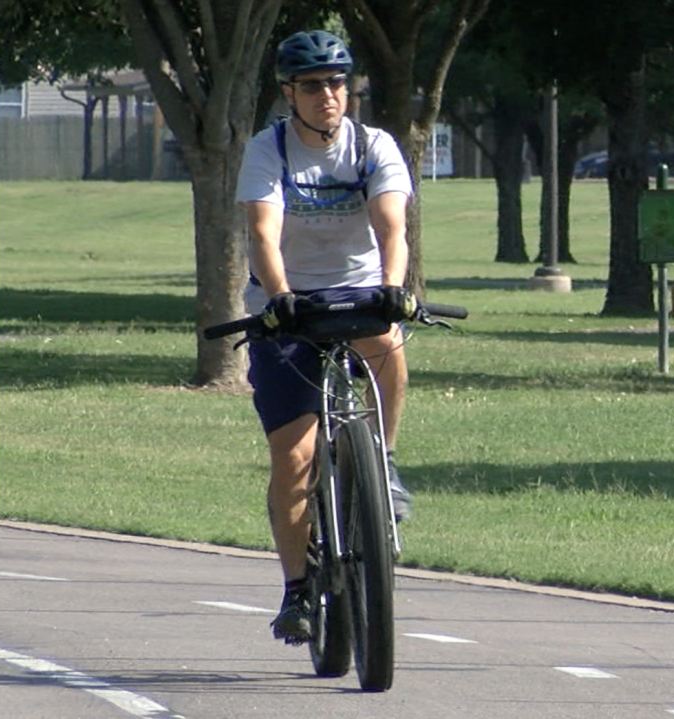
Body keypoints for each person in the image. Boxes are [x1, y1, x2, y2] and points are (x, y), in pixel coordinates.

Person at [235, 29, 415, 645]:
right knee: (295, 460)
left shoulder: (373, 145)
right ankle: (296, 590)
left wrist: (393, 286)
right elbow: (263, 232)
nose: (327, 96)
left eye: (337, 83)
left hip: (361, 292)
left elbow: (392, 225)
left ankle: (382, 464)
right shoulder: (270, 149)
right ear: (289, 92)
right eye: (312, 86)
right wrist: (279, 297)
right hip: (287, 306)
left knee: (387, 344)